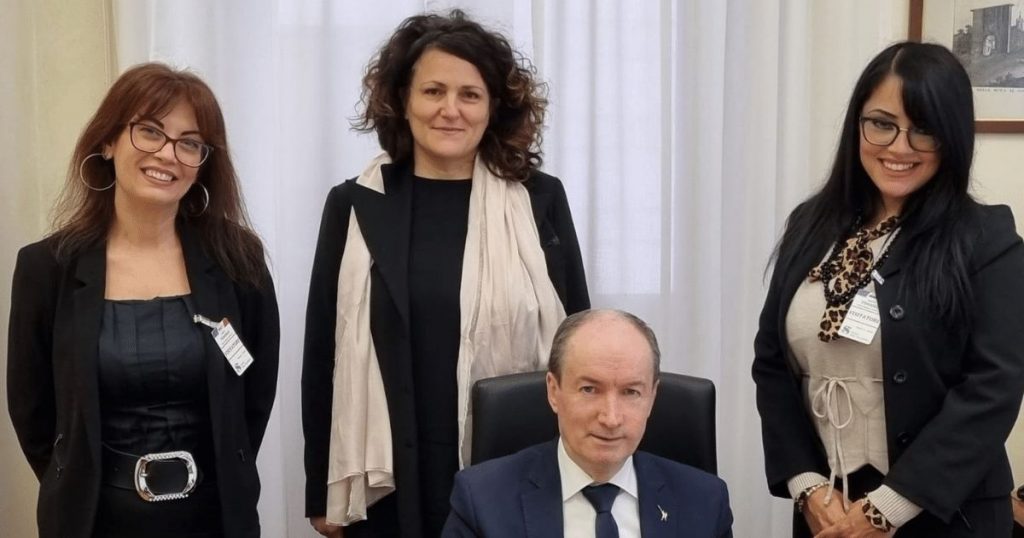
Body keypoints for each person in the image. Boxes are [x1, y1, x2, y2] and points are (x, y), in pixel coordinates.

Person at [301, 9, 589, 538]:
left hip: (514, 471)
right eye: (433, 91)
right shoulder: (355, 204)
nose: (450, 110)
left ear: (494, 106)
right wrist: (321, 490)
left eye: (469, 94)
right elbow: (323, 354)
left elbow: (577, 344)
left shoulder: (539, 201)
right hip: (387, 476)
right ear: (403, 100)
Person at [752, 41, 1024, 537]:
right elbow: (771, 364)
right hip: (828, 509)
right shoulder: (809, 226)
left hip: (945, 514)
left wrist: (889, 508)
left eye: (924, 129)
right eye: (882, 123)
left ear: (952, 137)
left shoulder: (986, 238)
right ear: (858, 124)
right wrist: (806, 485)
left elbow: (994, 385)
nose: (900, 147)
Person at [6, 63, 279, 538]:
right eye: (150, 131)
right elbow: (32, 410)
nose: (167, 154)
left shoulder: (237, 259)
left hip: (215, 518)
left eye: (189, 143)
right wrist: (76, 484)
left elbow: (254, 395)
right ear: (108, 142)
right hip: (93, 521)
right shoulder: (47, 268)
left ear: (203, 162)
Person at [441, 309, 733, 537]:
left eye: (631, 392)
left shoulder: (705, 502)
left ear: (652, 397)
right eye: (590, 389)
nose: (611, 418)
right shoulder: (482, 500)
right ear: (553, 391)